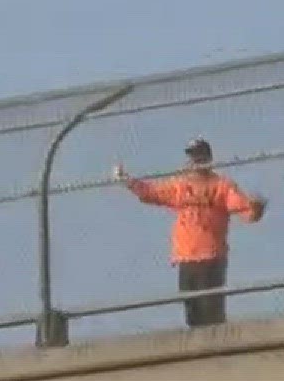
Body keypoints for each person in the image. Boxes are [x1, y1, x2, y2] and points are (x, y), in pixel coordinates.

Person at [113, 139, 268, 327]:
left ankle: (216, 348)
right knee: (192, 311)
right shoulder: (180, 186)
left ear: (209, 159)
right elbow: (151, 192)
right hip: (186, 257)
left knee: (211, 313)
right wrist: (127, 181)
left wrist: (256, 208)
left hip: (211, 256)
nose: (195, 161)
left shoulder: (222, 186)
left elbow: (244, 210)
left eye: (200, 157)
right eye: (192, 157)